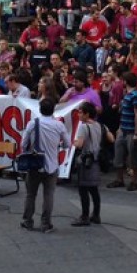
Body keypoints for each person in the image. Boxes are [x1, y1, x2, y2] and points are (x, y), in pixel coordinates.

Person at [19, 99, 69, 233]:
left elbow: (23, 144)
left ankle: (27, 221)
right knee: (49, 195)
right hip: (52, 165)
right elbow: (67, 144)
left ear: (40, 109)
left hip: (35, 164)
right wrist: (58, 145)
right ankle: (46, 223)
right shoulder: (59, 125)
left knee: (30, 194)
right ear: (53, 110)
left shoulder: (32, 124)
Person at [71, 102, 107, 226]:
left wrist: (73, 142)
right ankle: (96, 215)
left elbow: (79, 144)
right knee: (94, 190)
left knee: (83, 190)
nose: (79, 114)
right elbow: (111, 138)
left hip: (86, 161)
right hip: (96, 161)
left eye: (81, 112)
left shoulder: (83, 127)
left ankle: (84, 216)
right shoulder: (100, 126)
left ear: (87, 114)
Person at [107, 72, 137, 191]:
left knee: (133, 156)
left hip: (132, 130)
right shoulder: (126, 94)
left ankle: (134, 181)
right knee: (118, 154)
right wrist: (119, 127)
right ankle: (119, 179)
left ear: (126, 82)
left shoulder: (135, 95)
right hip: (123, 128)